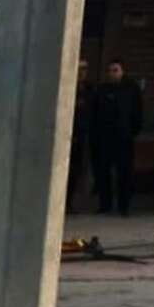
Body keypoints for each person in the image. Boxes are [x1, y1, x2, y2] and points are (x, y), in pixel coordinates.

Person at [89, 59, 143, 216]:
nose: (112, 74)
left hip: (124, 139)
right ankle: (104, 204)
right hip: (105, 139)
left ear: (122, 71)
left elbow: (137, 113)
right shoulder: (102, 90)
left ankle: (123, 206)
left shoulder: (131, 89)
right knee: (103, 172)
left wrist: (132, 132)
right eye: (110, 71)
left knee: (124, 173)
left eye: (116, 70)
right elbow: (95, 113)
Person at [67, 59, 94, 213]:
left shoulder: (89, 90)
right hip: (67, 135)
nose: (82, 72)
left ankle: (70, 202)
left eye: (85, 69)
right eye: (79, 69)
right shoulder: (67, 87)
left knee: (77, 170)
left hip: (82, 136)